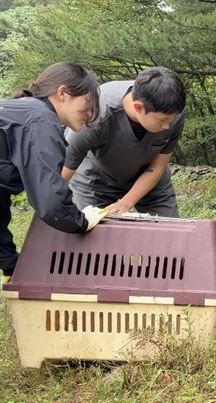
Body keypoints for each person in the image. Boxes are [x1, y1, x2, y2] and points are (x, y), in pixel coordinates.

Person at [0, 62, 109, 280]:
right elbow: (51, 201)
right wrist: (81, 220)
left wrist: (10, 264)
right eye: (88, 103)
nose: (90, 113)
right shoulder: (40, 119)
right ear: (62, 93)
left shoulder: (22, 113)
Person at [62, 66, 186, 217]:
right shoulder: (95, 113)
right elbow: (64, 170)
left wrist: (126, 203)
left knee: (171, 231)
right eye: (163, 120)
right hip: (96, 178)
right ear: (138, 107)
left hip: (148, 177)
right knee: (95, 234)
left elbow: (157, 167)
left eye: (171, 119)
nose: (168, 126)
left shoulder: (172, 112)